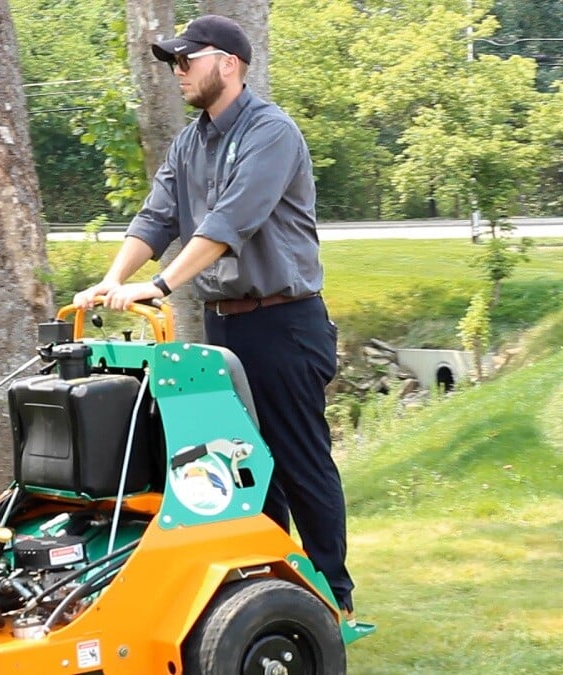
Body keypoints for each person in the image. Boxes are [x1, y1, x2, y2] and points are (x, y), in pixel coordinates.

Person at [72, 14, 355, 621]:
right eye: (173, 62)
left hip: (284, 323)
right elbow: (156, 218)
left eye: (187, 60)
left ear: (228, 63)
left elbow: (228, 224)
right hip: (224, 325)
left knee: (300, 462)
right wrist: (113, 279)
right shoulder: (189, 141)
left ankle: (333, 598)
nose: (178, 71)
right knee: (246, 466)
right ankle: (270, 593)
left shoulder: (271, 133)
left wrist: (160, 285)